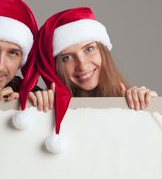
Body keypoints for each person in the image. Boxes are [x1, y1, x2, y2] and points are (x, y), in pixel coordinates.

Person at [23, 7, 158, 139]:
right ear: (55, 67)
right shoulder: (45, 109)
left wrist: (151, 109)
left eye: (89, 49)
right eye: (67, 58)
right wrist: (29, 106)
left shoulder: (131, 100)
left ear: (102, 51)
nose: (82, 66)